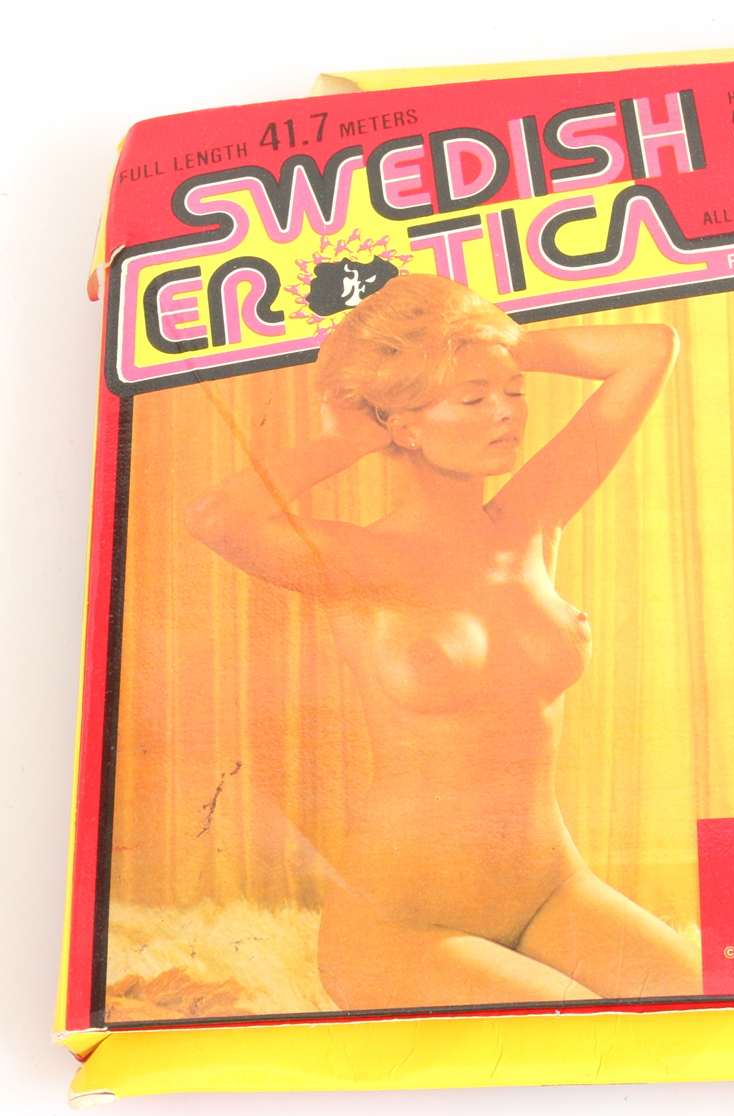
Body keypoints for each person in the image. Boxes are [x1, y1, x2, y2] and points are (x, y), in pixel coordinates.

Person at [186, 272, 703, 1010]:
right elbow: (216, 519)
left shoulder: (532, 521)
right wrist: (342, 440)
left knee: (708, 1011)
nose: (507, 412)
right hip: (404, 924)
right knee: (598, 1042)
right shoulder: (356, 562)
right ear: (403, 425)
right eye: (473, 398)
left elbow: (650, 349)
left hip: (553, 891)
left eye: (513, 391)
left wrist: (492, 341)